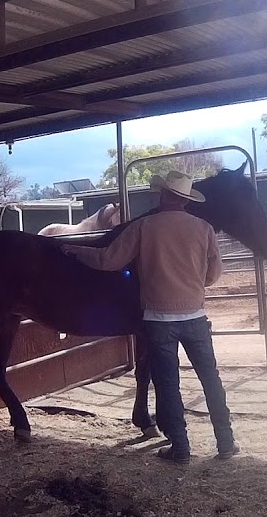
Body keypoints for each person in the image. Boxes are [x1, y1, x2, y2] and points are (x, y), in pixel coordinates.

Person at [61, 171, 237, 463]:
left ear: (163, 195)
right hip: (195, 317)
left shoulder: (144, 227)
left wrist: (76, 251)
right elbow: (213, 274)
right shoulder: (204, 228)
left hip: (158, 319)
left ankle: (180, 448)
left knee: (168, 384)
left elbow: (108, 261)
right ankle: (226, 442)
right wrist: (191, 285)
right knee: (210, 379)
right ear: (185, 200)